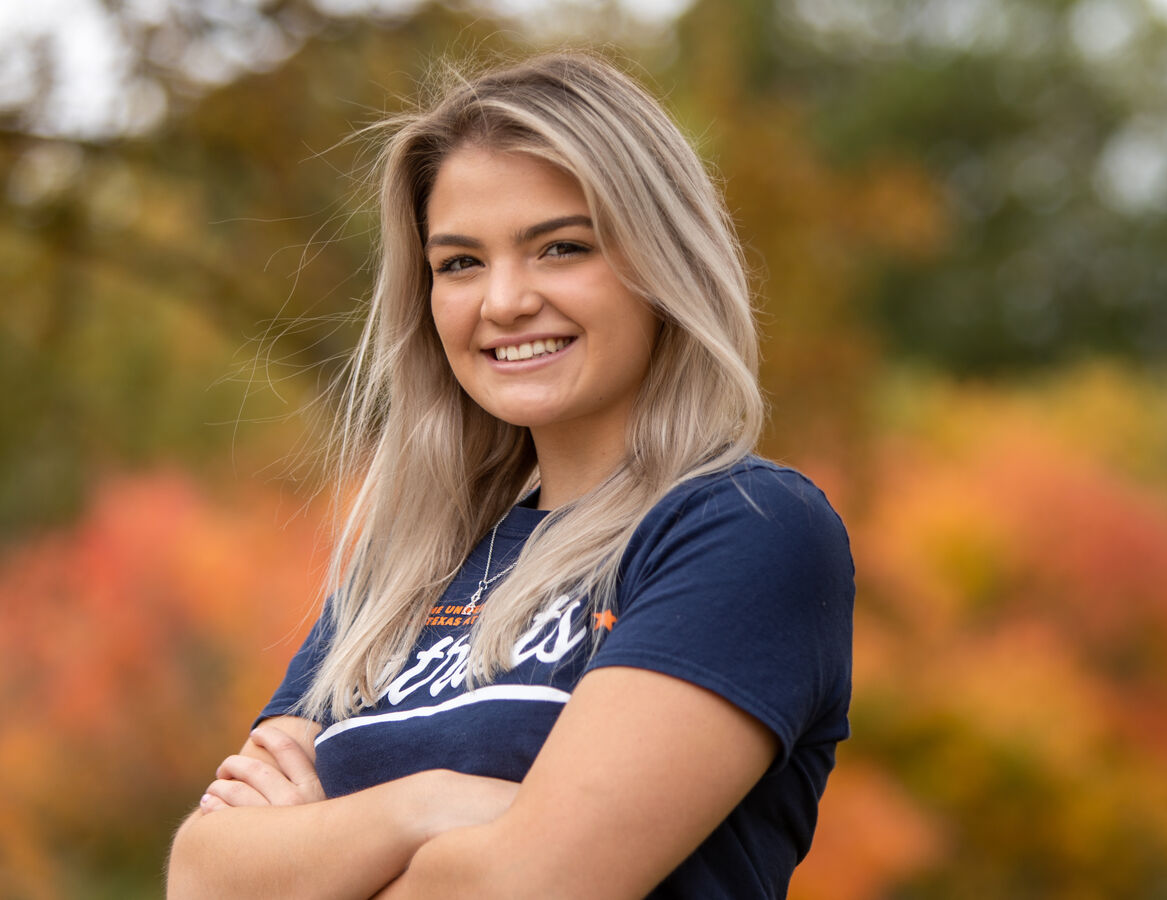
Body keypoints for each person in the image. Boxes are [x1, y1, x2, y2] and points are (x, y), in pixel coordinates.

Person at [166, 51, 854, 900]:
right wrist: (426, 807)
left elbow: (521, 888)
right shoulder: (400, 573)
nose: (503, 302)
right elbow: (204, 874)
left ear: (664, 262)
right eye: (459, 263)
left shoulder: (743, 530)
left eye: (560, 248)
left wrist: (321, 851)